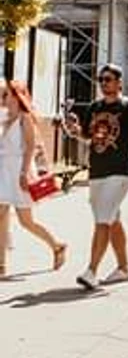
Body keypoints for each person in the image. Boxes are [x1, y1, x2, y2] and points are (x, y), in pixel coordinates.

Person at [64, 63, 128, 290]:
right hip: (97, 170)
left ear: (119, 82)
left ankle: (91, 271)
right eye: (100, 79)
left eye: (108, 79)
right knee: (111, 219)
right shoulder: (94, 107)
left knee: (102, 220)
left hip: (120, 171)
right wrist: (74, 131)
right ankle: (124, 268)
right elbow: (89, 137)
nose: (103, 83)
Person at [0, 79, 67, 277]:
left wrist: (23, 173)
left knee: (25, 221)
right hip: (4, 171)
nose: (4, 98)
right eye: (3, 95)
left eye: (7, 95)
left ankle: (56, 245)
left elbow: (30, 147)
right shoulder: (4, 117)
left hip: (20, 170)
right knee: (1, 215)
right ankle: (1, 265)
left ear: (17, 96)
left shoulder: (24, 117)